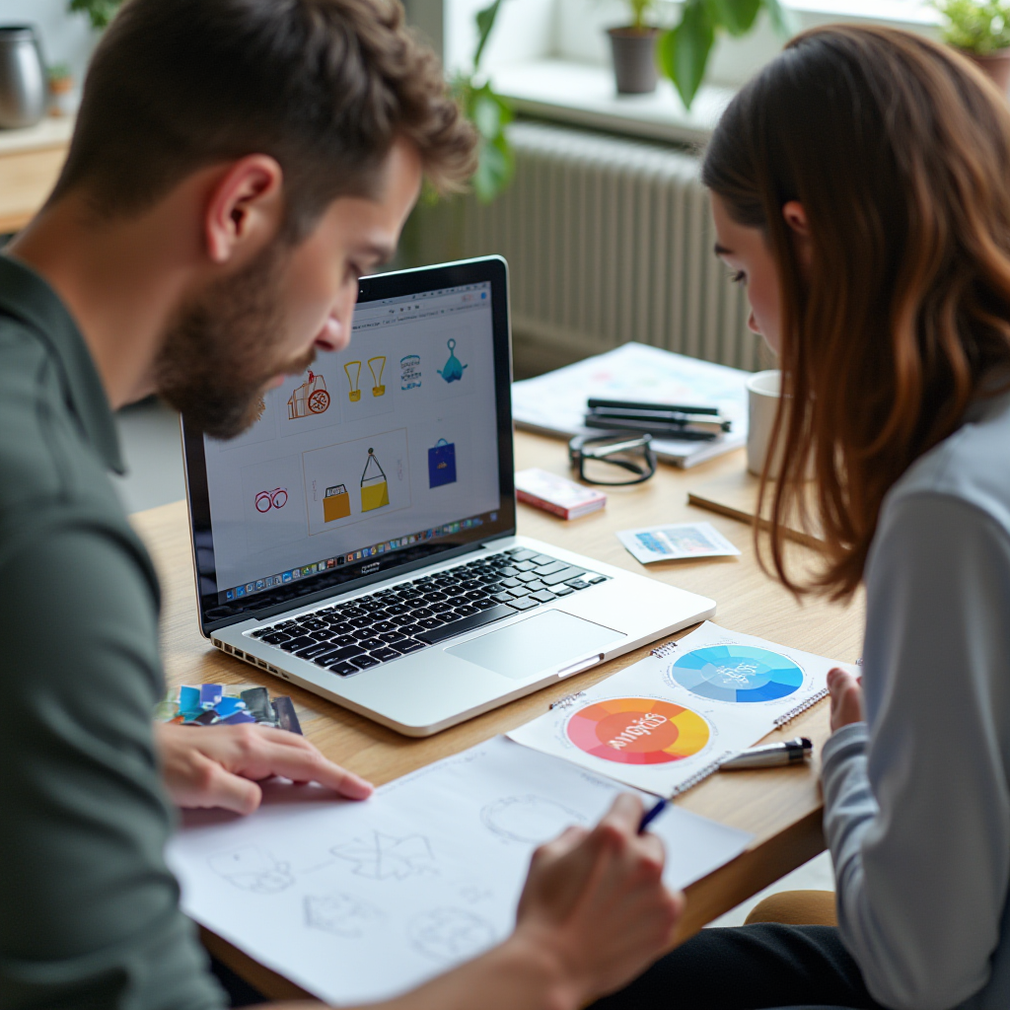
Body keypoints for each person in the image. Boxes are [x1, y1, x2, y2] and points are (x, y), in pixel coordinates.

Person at [0, 2, 682, 1008]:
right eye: (356, 265)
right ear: (240, 208)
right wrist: (544, 964)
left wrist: (101, 746)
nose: (340, 330)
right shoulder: (54, 543)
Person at [591, 23, 1010, 1010]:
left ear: (807, 234)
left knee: (586, 982)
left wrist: (854, 760)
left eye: (741, 270)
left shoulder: (950, 507)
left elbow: (921, 968)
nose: (749, 317)